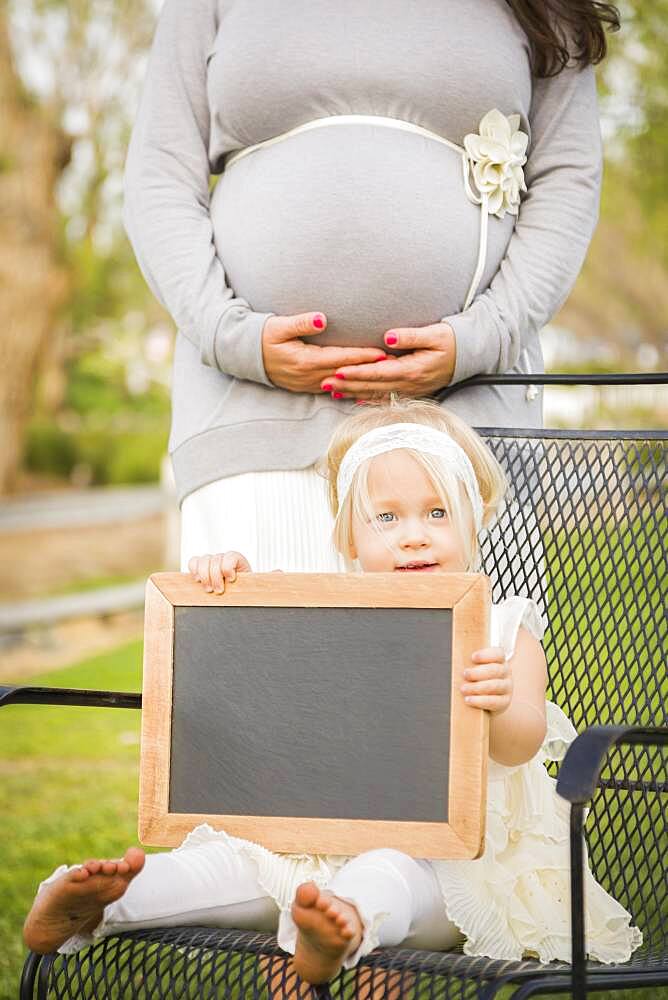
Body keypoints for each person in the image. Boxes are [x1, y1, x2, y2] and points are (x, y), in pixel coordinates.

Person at [24, 400, 641, 984]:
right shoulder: (326, 614)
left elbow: (522, 743)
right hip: (310, 845)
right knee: (216, 867)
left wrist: (501, 702)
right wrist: (226, 583)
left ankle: (333, 928)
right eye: (387, 517)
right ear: (349, 537)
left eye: (437, 513)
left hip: (450, 861)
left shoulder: (505, 628)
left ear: (473, 519)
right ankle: (100, 901)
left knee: (385, 877)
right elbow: (251, 663)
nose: (414, 536)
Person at [122, 0, 618, 577]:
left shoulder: (546, 8)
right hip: (252, 416)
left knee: (480, 663)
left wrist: (484, 336)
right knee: (266, 661)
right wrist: (231, 335)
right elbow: (159, 171)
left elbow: (569, 179)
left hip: (465, 419)